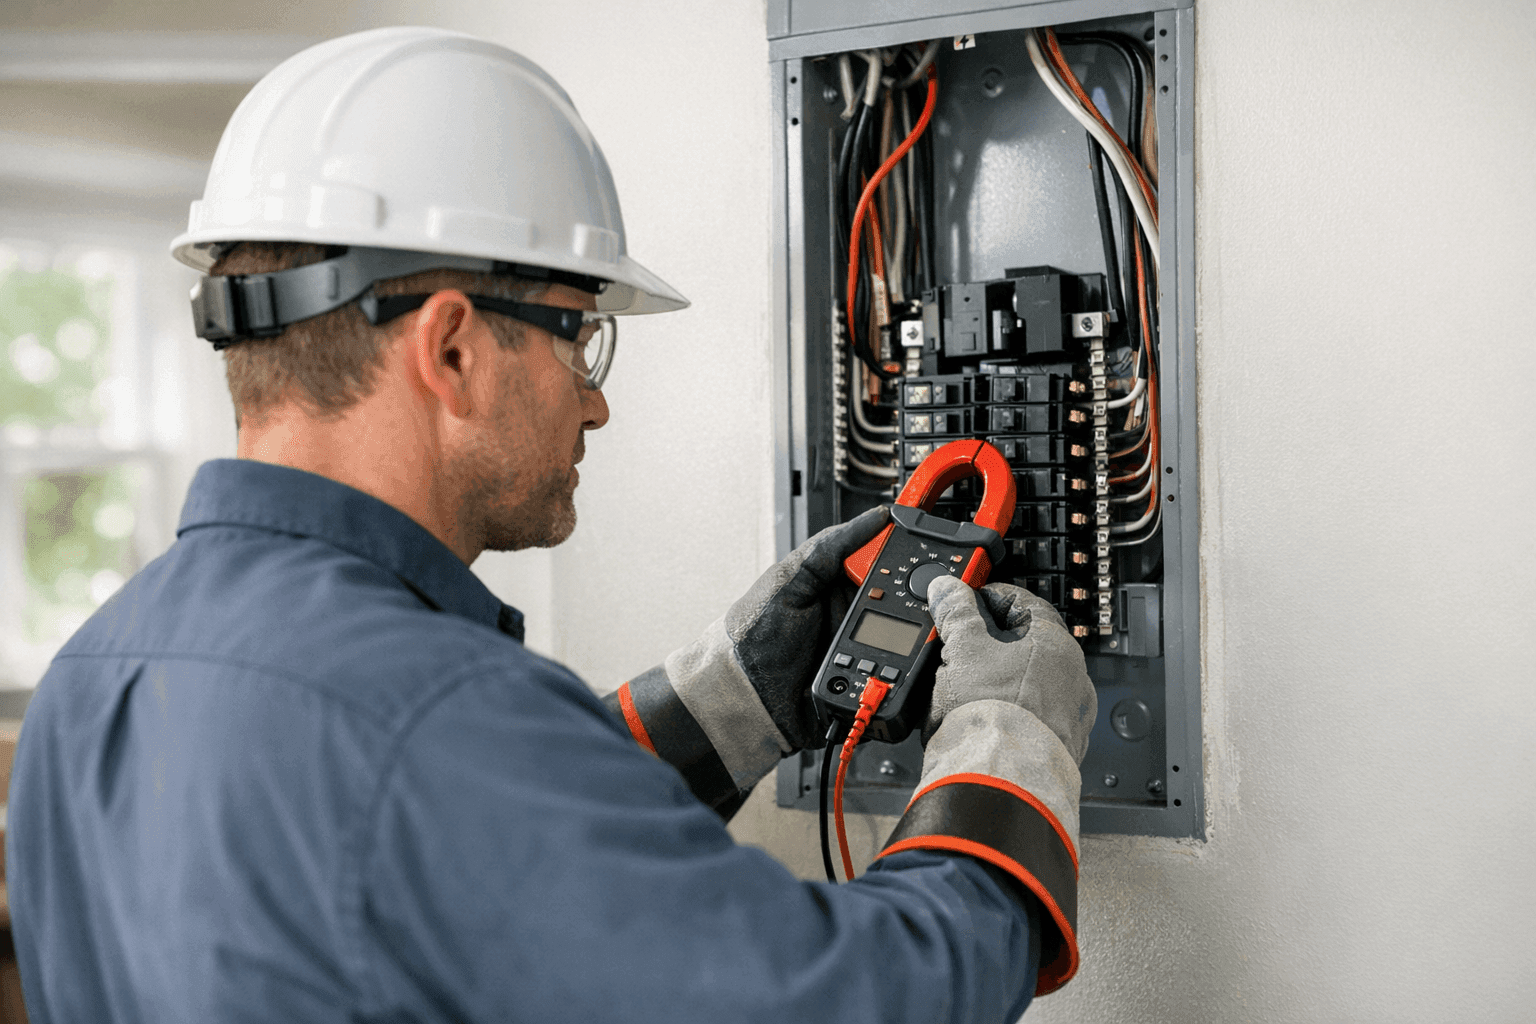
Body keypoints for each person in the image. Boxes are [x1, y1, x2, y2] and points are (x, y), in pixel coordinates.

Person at [7, 27, 1096, 1024]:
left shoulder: (94, 680)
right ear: (452, 350)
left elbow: (442, 888)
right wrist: (1010, 749)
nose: (594, 396)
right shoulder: (434, 716)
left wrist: (731, 699)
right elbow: (846, 1002)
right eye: (578, 336)